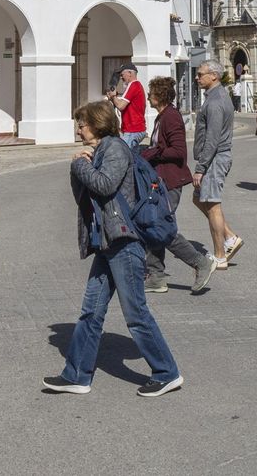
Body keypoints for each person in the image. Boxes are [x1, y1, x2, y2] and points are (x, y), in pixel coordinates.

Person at [42, 101, 183, 397]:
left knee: (136, 313)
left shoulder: (115, 149)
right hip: (107, 241)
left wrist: (80, 164)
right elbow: (83, 194)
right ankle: (77, 375)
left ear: (97, 124)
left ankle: (166, 372)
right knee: (90, 312)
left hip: (124, 241)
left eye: (81, 124)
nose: (78, 129)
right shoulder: (99, 152)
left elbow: (104, 186)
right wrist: (78, 165)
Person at [138, 78, 215, 295]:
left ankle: (200, 262)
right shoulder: (162, 117)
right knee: (154, 227)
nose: (148, 96)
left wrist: (154, 152)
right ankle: (156, 276)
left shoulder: (170, 117)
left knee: (161, 228)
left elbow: (179, 151)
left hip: (170, 182)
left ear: (159, 96)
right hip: (160, 181)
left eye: (150, 92)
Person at [191, 62, 241, 269]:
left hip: (214, 158)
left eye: (200, 74)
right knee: (199, 199)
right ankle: (230, 237)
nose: (197, 77)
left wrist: (200, 168)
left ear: (213, 76)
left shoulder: (215, 102)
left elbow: (212, 139)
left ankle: (220, 255)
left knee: (212, 205)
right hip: (215, 157)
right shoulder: (216, 96)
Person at [105, 63, 147, 147]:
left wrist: (113, 96)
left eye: (122, 74)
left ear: (130, 73)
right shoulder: (135, 86)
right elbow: (122, 104)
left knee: (123, 154)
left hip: (133, 130)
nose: (121, 77)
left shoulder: (134, 85)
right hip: (134, 129)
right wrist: (114, 98)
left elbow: (120, 106)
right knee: (131, 157)